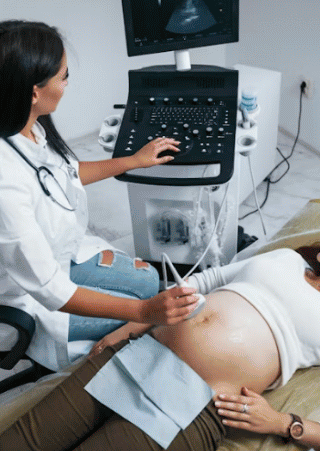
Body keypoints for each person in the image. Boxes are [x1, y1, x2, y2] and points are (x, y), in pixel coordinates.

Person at [0, 228, 320, 451]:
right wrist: (135, 321)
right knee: (16, 448)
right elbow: (207, 281)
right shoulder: (286, 259)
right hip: (137, 356)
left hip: (192, 406)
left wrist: (284, 424)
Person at [0, 20, 201, 374]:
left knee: (150, 281)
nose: (67, 84)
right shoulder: (5, 184)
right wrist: (142, 315)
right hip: (30, 299)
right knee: (148, 312)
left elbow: (65, 174)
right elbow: (51, 290)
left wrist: (134, 161)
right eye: (63, 76)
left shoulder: (25, 124)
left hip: (59, 257)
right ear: (33, 91)